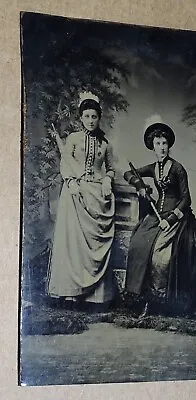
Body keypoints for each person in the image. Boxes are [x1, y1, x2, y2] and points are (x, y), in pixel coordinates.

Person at [123, 121, 196, 317]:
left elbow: (186, 199)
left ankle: (161, 301)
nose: (162, 147)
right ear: (152, 146)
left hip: (177, 217)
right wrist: (140, 185)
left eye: (164, 143)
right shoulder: (153, 168)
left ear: (169, 145)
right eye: (158, 143)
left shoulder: (177, 169)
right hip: (156, 216)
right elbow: (128, 173)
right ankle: (140, 296)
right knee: (137, 243)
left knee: (161, 253)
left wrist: (171, 220)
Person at [47, 92, 115, 310]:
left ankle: (95, 296)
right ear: (81, 118)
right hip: (75, 194)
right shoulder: (74, 138)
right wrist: (70, 182)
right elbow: (66, 162)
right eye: (87, 116)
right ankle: (71, 294)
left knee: (94, 244)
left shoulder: (105, 143)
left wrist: (107, 179)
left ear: (99, 118)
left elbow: (111, 168)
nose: (91, 121)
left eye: (94, 116)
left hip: (96, 195)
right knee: (73, 243)